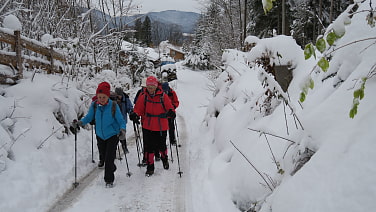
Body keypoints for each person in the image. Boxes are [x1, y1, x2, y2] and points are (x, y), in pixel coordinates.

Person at [73, 82, 126, 187]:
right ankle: (111, 167)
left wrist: (122, 130)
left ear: (108, 96)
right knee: (104, 156)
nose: (101, 99)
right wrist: (80, 122)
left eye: (104, 97)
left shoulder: (113, 106)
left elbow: (121, 120)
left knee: (109, 158)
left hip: (112, 135)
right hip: (100, 135)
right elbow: (89, 117)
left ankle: (109, 180)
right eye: (99, 97)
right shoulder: (95, 105)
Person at [130, 76, 176, 176]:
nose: (150, 88)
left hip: (161, 126)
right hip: (148, 126)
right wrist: (135, 114)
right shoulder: (144, 96)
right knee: (149, 147)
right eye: (149, 86)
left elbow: (169, 107)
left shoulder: (163, 96)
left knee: (162, 145)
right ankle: (150, 167)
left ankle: (165, 159)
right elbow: (138, 108)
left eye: (152, 86)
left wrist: (171, 112)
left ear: (156, 86)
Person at [115, 87, 133, 154]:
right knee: (114, 136)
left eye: (119, 95)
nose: (118, 96)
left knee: (122, 134)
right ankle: (114, 150)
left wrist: (131, 112)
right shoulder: (113, 100)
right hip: (114, 121)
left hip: (122, 120)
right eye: (117, 95)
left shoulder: (125, 99)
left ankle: (124, 148)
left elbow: (129, 107)